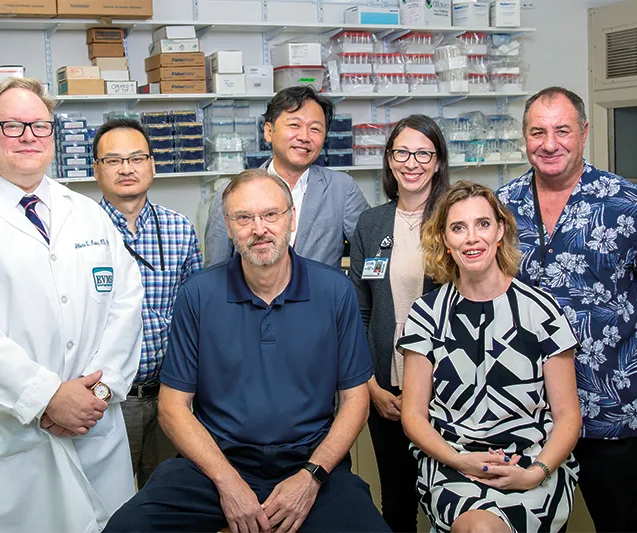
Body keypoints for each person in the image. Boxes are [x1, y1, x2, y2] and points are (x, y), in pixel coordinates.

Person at [103, 169, 391, 533]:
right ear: (227, 224)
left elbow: (355, 401)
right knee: (126, 528)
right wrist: (226, 481)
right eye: (244, 218)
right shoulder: (199, 294)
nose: (259, 228)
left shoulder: (334, 291)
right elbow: (173, 408)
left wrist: (311, 476)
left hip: (310, 464)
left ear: (291, 218)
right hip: (214, 464)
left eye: (271, 214)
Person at [0, 78, 144, 533]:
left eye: (40, 126)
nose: (28, 137)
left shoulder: (87, 213)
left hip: (93, 427)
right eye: (12, 125)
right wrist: (48, 398)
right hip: (9, 439)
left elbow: (126, 305)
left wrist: (98, 393)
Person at [497, 86, 637, 533]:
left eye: (562, 130)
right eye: (537, 132)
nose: (549, 144)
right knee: (532, 525)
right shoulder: (502, 207)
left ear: (583, 133)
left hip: (610, 403)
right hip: (527, 408)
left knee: (626, 522)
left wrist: (621, 333)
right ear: (524, 137)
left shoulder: (631, 203)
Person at [398, 181, 582, 533]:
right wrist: (459, 459)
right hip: (452, 461)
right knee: (481, 528)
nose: (472, 238)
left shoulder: (540, 311)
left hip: (532, 461)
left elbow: (568, 415)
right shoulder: (427, 314)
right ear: (444, 241)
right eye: (458, 227)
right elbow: (414, 415)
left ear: (500, 230)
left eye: (482, 224)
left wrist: (534, 473)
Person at [348, 115, 449, 533]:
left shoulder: (453, 218)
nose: (412, 162)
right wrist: (371, 385)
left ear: (438, 161)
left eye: (423, 153)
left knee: (451, 493)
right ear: (389, 161)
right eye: (402, 152)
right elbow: (360, 312)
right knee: (398, 499)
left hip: (447, 387)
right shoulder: (371, 224)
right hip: (386, 388)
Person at [93, 118, 203, 489]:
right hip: (108, 401)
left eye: (137, 158)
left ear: (152, 164)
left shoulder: (179, 228)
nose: (126, 169)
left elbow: (195, 316)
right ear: (96, 170)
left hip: (171, 395)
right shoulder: (80, 232)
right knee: (109, 505)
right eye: (113, 160)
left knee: (168, 501)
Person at [204, 85, 370, 269]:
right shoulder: (231, 193)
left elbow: (371, 251)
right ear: (269, 131)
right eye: (294, 125)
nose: (304, 137)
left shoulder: (341, 188)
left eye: (315, 129)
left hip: (319, 297)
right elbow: (216, 270)